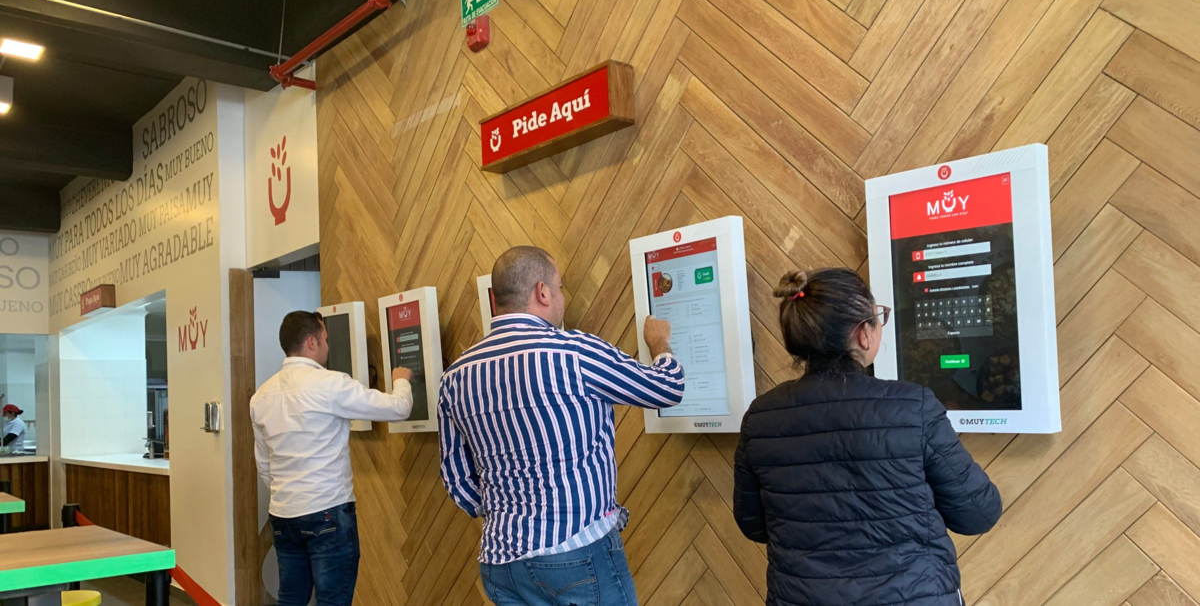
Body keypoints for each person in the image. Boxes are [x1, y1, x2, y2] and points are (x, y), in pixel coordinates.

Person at [734, 269, 1002, 606]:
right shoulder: (913, 407)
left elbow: (754, 525)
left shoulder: (760, 417)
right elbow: (979, 513)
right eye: (878, 317)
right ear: (863, 334)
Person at [439, 246, 686, 606]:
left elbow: (457, 480)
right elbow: (667, 388)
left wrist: (505, 513)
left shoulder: (455, 377)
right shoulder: (573, 352)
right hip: (576, 553)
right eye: (560, 287)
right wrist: (659, 342)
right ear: (542, 292)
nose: (562, 296)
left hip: (500, 563)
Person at [251, 311, 415, 606]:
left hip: (283, 514)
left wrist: (288, 495)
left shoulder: (261, 396)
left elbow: (264, 463)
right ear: (311, 342)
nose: (328, 346)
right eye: (325, 339)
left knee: (290, 599)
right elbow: (398, 408)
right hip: (327, 511)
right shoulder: (330, 384)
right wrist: (401, 380)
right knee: (333, 600)